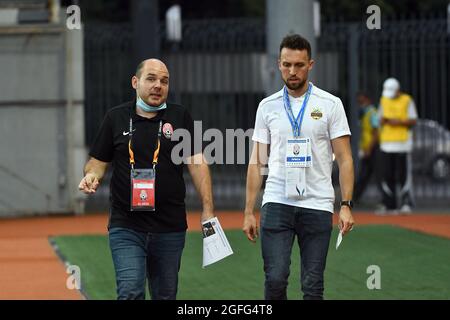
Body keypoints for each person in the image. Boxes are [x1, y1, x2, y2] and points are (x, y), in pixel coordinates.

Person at [78, 58, 214, 300]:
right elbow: (97, 163)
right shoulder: (115, 118)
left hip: (170, 227)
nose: (158, 85)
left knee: (165, 296)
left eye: (164, 81)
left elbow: (197, 162)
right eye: (151, 79)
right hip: (126, 225)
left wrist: (208, 208)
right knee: (130, 292)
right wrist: (91, 176)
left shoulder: (179, 116)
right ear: (135, 82)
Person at [242, 34, 355, 300]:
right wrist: (248, 211)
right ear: (278, 64)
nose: (292, 71)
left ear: (311, 64)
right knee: (275, 279)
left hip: (317, 203)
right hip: (277, 201)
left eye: (299, 65)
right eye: (286, 64)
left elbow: (345, 158)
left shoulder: (330, 104)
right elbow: (257, 160)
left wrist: (346, 204)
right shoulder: (266, 106)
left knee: (313, 286)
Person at [377, 77, 417, 215]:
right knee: (387, 175)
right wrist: (382, 121)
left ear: (398, 90)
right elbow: (379, 119)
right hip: (386, 144)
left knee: (404, 176)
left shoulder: (407, 100)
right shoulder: (384, 100)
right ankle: (389, 205)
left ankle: (406, 204)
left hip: (403, 144)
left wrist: (398, 122)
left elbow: (413, 120)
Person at [354, 92, 379, 203]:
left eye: (362, 101)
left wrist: (369, 148)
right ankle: (355, 197)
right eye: (359, 102)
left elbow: (376, 132)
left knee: (371, 175)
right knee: (364, 175)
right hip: (367, 148)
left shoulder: (372, 113)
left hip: (372, 148)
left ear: (368, 100)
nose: (361, 104)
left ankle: (355, 197)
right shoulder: (365, 113)